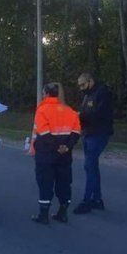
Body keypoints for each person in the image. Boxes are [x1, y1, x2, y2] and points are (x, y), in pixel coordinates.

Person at [30, 83, 82, 224]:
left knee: (45, 183)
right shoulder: (70, 111)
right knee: (64, 183)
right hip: (64, 155)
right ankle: (63, 212)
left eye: (43, 93)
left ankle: (43, 215)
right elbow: (76, 132)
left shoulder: (42, 110)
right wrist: (66, 146)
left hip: (46, 154)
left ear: (47, 94)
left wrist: (57, 146)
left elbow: (44, 133)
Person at [73, 72, 114, 214]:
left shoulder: (102, 93)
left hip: (98, 134)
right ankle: (97, 199)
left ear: (90, 81)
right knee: (91, 167)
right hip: (88, 133)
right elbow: (85, 112)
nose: (81, 88)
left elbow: (98, 114)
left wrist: (81, 116)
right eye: (80, 85)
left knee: (89, 166)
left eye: (83, 84)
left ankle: (87, 201)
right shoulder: (87, 96)